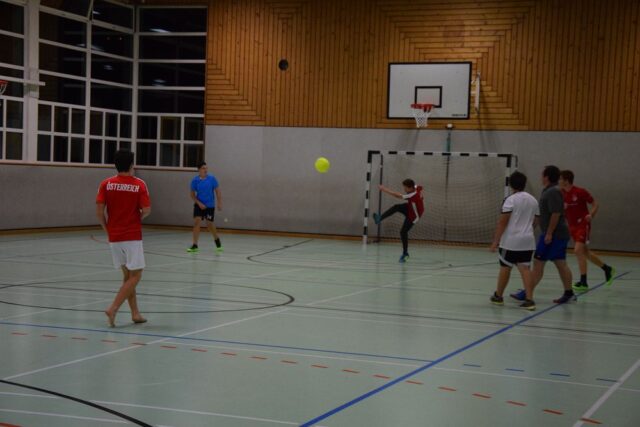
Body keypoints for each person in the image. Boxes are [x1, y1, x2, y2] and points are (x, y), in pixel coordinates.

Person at [96, 150, 151, 327]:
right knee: (136, 275)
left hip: (115, 237)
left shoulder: (106, 184)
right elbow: (147, 210)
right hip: (132, 236)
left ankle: (135, 313)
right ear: (131, 165)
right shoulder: (139, 184)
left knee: (127, 276)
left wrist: (108, 229)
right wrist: (137, 218)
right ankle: (113, 307)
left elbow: (99, 212)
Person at [511, 165, 574, 304]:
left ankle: (527, 293)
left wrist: (549, 234)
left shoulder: (553, 192)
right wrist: (532, 227)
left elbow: (556, 213)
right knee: (560, 263)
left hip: (554, 235)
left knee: (538, 262)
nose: (541, 177)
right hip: (554, 234)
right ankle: (568, 293)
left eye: (542, 174)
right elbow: (542, 214)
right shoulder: (548, 191)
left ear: (546, 176)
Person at [489, 171, 539, 310]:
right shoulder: (533, 200)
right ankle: (530, 300)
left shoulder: (510, 200)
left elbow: (502, 222)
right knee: (525, 269)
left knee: (505, 267)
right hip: (528, 241)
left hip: (510, 242)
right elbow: (536, 220)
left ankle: (498, 296)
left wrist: (495, 241)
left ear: (511, 184)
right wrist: (527, 230)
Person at [559, 170, 615, 291]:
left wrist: (591, 214)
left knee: (578, 250)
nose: (559, 181)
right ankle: (607, 269)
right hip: (572, 226)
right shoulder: (561, 194)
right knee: (585, 253)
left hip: (583, 224)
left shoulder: (580, 192)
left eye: (561, 179)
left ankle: (583, 281)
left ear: (566, 180)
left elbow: (595, 204)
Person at [373, 179, 424, 263]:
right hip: (410, 208)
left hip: (414, 215)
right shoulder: (416, 188)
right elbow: (420, 187)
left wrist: (384, 189)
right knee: (396, 207)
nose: (404, 189)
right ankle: (379, 218)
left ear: (410, 188)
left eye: (405, 188)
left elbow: (398, 195)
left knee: (403, 232)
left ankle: (405, 254)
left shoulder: (413, 194)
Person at [188, 162, 223, 253]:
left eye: (206, 168)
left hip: (209, 205)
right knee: (197, 222)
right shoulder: (195, 181)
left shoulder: (212, 178)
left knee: (209, 225)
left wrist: (219, 203)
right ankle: (195, 245)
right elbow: (192, 195)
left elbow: (218, 191)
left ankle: (217, 240)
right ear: (199, 169)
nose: (205, 170)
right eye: (203, 168)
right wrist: (199, 203)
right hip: (199, 204)